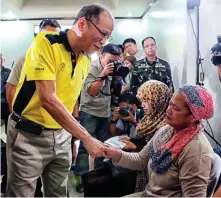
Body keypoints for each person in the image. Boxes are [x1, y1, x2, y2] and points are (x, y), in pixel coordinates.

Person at [6, 4, 114, 197]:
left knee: (58, 193)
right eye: (103, 34)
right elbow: (47, 98)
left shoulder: (86, 60)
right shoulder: (46, 42)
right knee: (21, 194)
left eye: (108, 37)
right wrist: (85, 137)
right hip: (29, 135)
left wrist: (72, 140)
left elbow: (71, 100)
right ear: (82, 24)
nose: (103, 42)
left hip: (62, 136)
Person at [104, 85, 215, 197]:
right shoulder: (166, 131)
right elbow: (142, 160)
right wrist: (114, 153)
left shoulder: (196, 151)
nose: (168, 110)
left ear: (193, 117)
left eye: (175, 108)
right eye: (170, 104)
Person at [74, 43, 120, 192]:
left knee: (103, 146)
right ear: (102, 56)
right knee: (85, 146)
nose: (113, 64)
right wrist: (103, 74)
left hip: (105, 111)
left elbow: (114, 91)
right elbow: (92, 92)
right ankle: (81, 177)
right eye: (110, 61)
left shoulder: (114, 69)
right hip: (90, 112)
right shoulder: (91, 67)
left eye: (116, 61)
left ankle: (99, 176)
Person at [6, 19, 61, 112]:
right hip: (28, 117)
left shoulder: (62, 60)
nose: (50, 40)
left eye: (55, 36)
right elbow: (11, 87)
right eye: (46, 36)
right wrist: (14, 114)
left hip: (54, 116)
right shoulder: (24, 59)